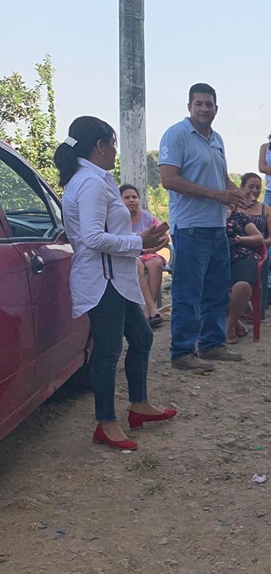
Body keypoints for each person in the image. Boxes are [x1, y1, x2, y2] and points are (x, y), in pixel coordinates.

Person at [56, 116, 176, 451]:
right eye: (112, 143)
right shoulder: (90, 183)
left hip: (114, 277)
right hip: (102, 279)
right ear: (100, 145)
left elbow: (107, 231)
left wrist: (142, 239)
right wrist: (139, 242)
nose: (114, 150)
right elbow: (93, 237)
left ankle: (139, 405)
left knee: (142, 337)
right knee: (108, 351)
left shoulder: (96, 179)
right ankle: (105, 423)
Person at [159, 82, 250, 371]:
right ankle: (182, 352)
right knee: (188, 292)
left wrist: (236, 194)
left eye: (209, 104)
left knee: (217, 290)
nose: (204, 108)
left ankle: (212, 344)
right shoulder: (176, 135)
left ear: (216, 108)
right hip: (190, 227)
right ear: (189, 106)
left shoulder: (217, 139)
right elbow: (168, 179)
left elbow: (222, 179)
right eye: (198, 103)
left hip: (216, 226)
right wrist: (216, 195)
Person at [120, 183, 168, 328]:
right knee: (137, 265)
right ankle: (152, 310)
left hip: (148, 254)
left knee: (156, 263)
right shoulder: (117, 218)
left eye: (134, 197)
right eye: (127, 197)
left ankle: (147, 311)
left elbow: (164, 237)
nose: (131, 200)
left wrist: (154, 249)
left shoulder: (147, 216)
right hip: (130, 254)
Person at [232, 173, 271, 321]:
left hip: (259, 249)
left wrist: (261, 244)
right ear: (241, 187)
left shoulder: (266, 209)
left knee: (260, 262)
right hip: (234, 248)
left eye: (258, 187)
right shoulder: (233, 207)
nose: (254, 190)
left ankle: (254, 306)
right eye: (251, 186)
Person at [225, 206, 265, 345]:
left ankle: (229, 325)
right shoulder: (206, 217)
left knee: (242, 285)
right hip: (215, 258)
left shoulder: (238, 216)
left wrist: (240, 239)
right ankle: (235, 321)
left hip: (241, 256)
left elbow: (258, 238)